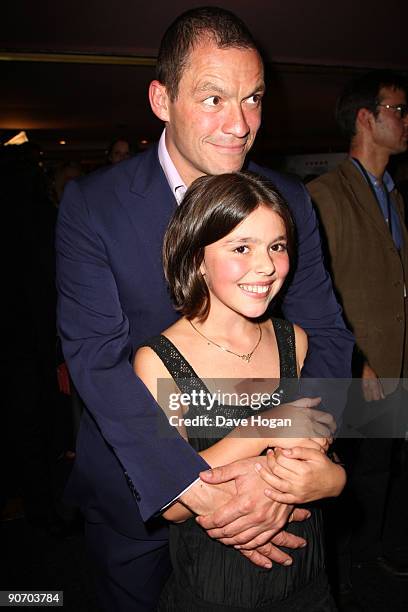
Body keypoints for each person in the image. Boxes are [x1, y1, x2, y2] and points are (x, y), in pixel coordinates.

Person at [56, 6, 353, 610]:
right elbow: (98, 361)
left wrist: (291, 463)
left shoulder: (288, 197)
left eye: (253, 99)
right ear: (161, 99)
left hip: (272, 479)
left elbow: (326, 332)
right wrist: (192, 487)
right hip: (140, 487)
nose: (240, 124)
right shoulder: (94, 205)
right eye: (214, 99)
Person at [134, 171, 346, 610]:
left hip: (309, 584)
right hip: (216, 590)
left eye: (277, 246)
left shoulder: (295, 341)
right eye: (241, 247)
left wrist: (334, 481)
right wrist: (263, 429)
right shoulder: (159, 361)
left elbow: (318, 449)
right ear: (196, 258)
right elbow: (171, 502)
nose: (267, 265)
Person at [307, 70, 408, 603]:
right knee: (338, 475)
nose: (406, 119)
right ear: (366, 118)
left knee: (379, 471)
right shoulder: (325, 195)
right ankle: (335, 572)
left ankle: (367, 558)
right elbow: (314, 289)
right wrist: (356, 356)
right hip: (354, 366)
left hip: (393, 363)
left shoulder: (393, 193)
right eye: (399, 109)